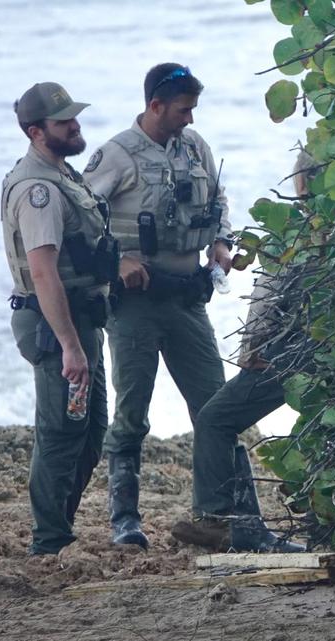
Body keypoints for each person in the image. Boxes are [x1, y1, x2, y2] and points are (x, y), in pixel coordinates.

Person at [83, 63, 235, 548]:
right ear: (155, 106)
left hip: (188, 297)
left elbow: (219, 199)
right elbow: (80, 217)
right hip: (136, 305)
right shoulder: (117, 155)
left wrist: (221, 243)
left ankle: (230, 515)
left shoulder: (196, 147)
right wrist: (119, 258)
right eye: (183, 109)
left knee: (218, 406)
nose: (190, 118)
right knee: (132, 412)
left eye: (193, 109)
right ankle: (124, 520)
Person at [170, 153, 322, 552]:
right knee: (322, 427)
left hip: (288, 355)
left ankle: (223, 521)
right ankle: (327, 524)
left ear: (300, 183)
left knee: (216, 420)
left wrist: (250, 350)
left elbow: (267, 302)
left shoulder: (293, 230)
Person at [1, 82, 118, 555]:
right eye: (63, 121)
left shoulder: (64, 175)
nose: (75, 125)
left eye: (74, 117)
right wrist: (70, 346)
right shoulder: (38, 191)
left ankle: (57, 530)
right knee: (61, 433)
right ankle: (49, 542)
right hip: (56, 327)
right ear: (36, 132)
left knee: (91, 432)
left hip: (79, 321)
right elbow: (44, 273)